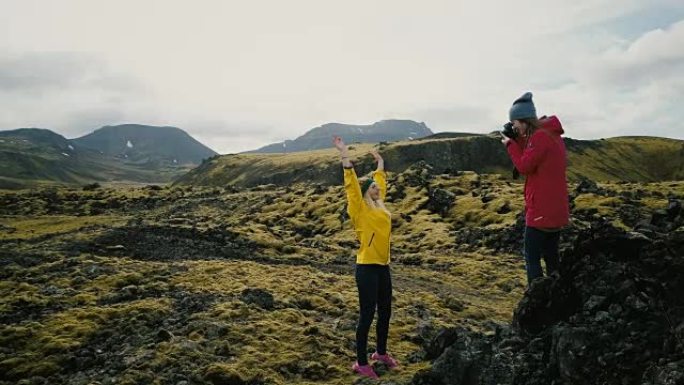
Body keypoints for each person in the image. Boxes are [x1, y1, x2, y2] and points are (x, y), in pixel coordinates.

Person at [333, 136, 399, 380]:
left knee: (386, 311)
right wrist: (344, 154)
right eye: (371, 187)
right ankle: (360, 362)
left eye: (377, 187)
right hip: (366, 268)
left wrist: (380, 162)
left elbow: (380, 180)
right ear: (364, 193)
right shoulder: (359, 208)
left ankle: (380, 353)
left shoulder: (380, 205)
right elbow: (351, 183)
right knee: (367, 314)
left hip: (383, 267)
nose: (377, 188)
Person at [500, 92, 570, 285]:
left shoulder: (540, 138)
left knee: (532, 257)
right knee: (551, 256)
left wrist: (510, 145)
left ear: (523, 120)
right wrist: (518, 140)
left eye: (514, 122)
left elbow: (524, 166)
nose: (513, 126)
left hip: (541, 209)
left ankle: (537, 298)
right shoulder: (550, 135)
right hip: (556, 210)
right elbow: (534, 153)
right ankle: (556, 295)